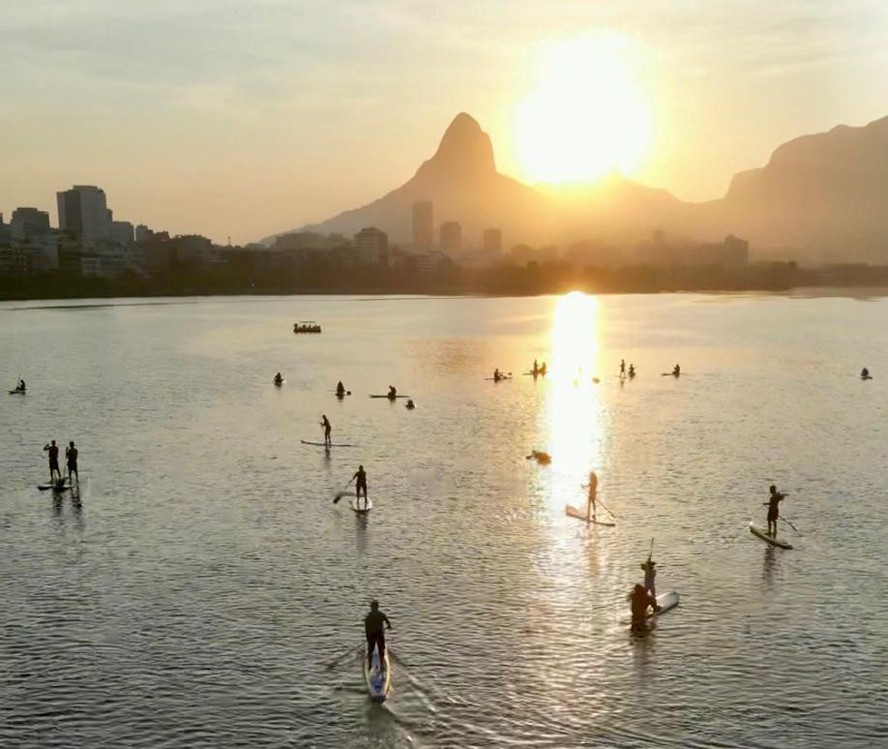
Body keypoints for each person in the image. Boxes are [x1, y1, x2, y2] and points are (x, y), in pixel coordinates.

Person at [364, 600, 392, 670]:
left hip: (372, 635)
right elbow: (388, 622)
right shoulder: (381, 614)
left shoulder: (369, 616)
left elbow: (366, 627)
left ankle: (370, 665)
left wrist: (367, 637)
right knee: (381, 649)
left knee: (370, 651)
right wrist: (389, 626)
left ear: (372, 607)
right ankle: (382, 665)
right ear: (377, 607)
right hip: (380, 634)